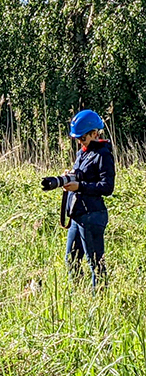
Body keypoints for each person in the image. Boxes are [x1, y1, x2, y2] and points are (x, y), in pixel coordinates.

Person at [64, 110, 115, 290]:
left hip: (93, 216)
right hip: (78, 215)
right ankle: (78, 297)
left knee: (95, 264)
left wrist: (81, 186)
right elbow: (82, 176)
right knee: (71, 259)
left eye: (83, 138)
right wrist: (71, 177)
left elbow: (107, 187)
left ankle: (99, 301)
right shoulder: (82, 153)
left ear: (95, 133)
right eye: (77, 139)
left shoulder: (103, 155)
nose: (79, 142)